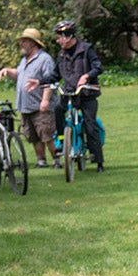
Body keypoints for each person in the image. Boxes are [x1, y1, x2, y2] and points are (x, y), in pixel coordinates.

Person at [0, 28, 61, 169]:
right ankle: (41, 161)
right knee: (32, 136)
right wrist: (8, 71)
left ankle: (57, 160)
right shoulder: (24, 60)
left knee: (47, 133)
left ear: (33, 43)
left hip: (40, 105)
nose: (21, 44)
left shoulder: (45, 60)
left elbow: (50, 81)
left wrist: (45, 100)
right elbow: (19, 75)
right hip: (26, 106)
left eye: (24, 41)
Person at [49, 20, 104, 172]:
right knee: (58, 110)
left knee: (90, 124)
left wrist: (86, 76)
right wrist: (39, 82)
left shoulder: (86, 49)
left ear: (68, 36)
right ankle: (61, 141)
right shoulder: (61, 55)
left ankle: (98, 160)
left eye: (60, 37)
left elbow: (98, 67)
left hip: (86, 94)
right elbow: (55, 75)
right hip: (69, 94)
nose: (58, 41)